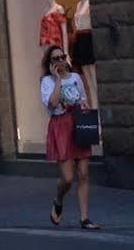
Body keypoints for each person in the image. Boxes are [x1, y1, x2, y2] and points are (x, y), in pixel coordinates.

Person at [41, 45, 98, 230]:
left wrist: (86, 114)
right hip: (61, 125)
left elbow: (84, 100)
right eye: (55, 59)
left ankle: (84, 217)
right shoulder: (47, 81)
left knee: (83, 173)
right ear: (49, 63)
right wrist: (57, 80)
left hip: (78, 122)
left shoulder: (76, 78)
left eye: (62, 57)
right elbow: (52, 104)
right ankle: (58, 200)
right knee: (67, 177)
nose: (60, 61)